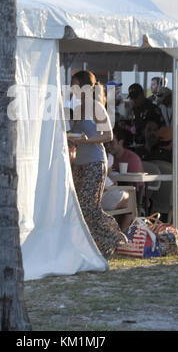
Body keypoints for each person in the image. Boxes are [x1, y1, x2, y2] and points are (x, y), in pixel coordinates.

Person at [68, 70, 126, 259]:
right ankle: (96, 245)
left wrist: (86, 140)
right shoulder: (76, 109)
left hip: (95, 161)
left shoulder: (96, 107)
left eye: (76, 85)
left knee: (88, 206)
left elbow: (108, 135)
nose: (73, 89)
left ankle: (114, 237)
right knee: (80, 207)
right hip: (80, 162)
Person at [102, 141, 133, 231]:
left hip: (94, 200)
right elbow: (111, 188)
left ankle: (120, 232)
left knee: (126, 203)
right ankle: (124, 233)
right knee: (130, 200)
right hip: (102, 202)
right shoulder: (104, 176)